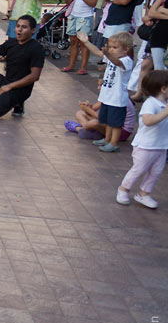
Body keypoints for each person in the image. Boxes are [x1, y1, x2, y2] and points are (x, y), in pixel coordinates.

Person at [75, 30, 134, 152]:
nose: (111, 50)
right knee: (106, 121)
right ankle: (107, 139)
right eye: (110, 47)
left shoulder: (126, 60)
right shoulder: (110, 57)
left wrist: (108, 53)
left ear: (125, 49)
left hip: (117, 99)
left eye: (115, 47)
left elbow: (116, 62)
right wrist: (86, 42)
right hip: (107, 97)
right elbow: (97, 52)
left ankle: (114, 143)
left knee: (115, 123)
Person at [116, 71, 168, 208]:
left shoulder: (165, 104)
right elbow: (148, 120)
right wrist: (166, 112)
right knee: (138, 169)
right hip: (145, 146)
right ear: (163, 88)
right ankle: (123, 189)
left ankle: (144, 193)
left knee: (156, 172)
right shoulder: (151, 103)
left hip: (161, 146)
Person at [57, 0, 98, 75]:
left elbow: (93, 4)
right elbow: (68, 1)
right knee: (73, 42)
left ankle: (83, 67)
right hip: (74, 15)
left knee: (84, 42)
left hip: (85, 17)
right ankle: (71, 65)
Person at [68, 77, 136, 143]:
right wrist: (87, 106)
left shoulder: (116, 98)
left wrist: (88, 110)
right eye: (98, 85)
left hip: (121, 131)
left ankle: (79, 129)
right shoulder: (107, 95)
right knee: (79, 113)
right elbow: (93, 109)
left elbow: (104, 119)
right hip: (109, 125)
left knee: (94, 123)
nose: (98, 88)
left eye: (101, 85)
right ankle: (92, 132)